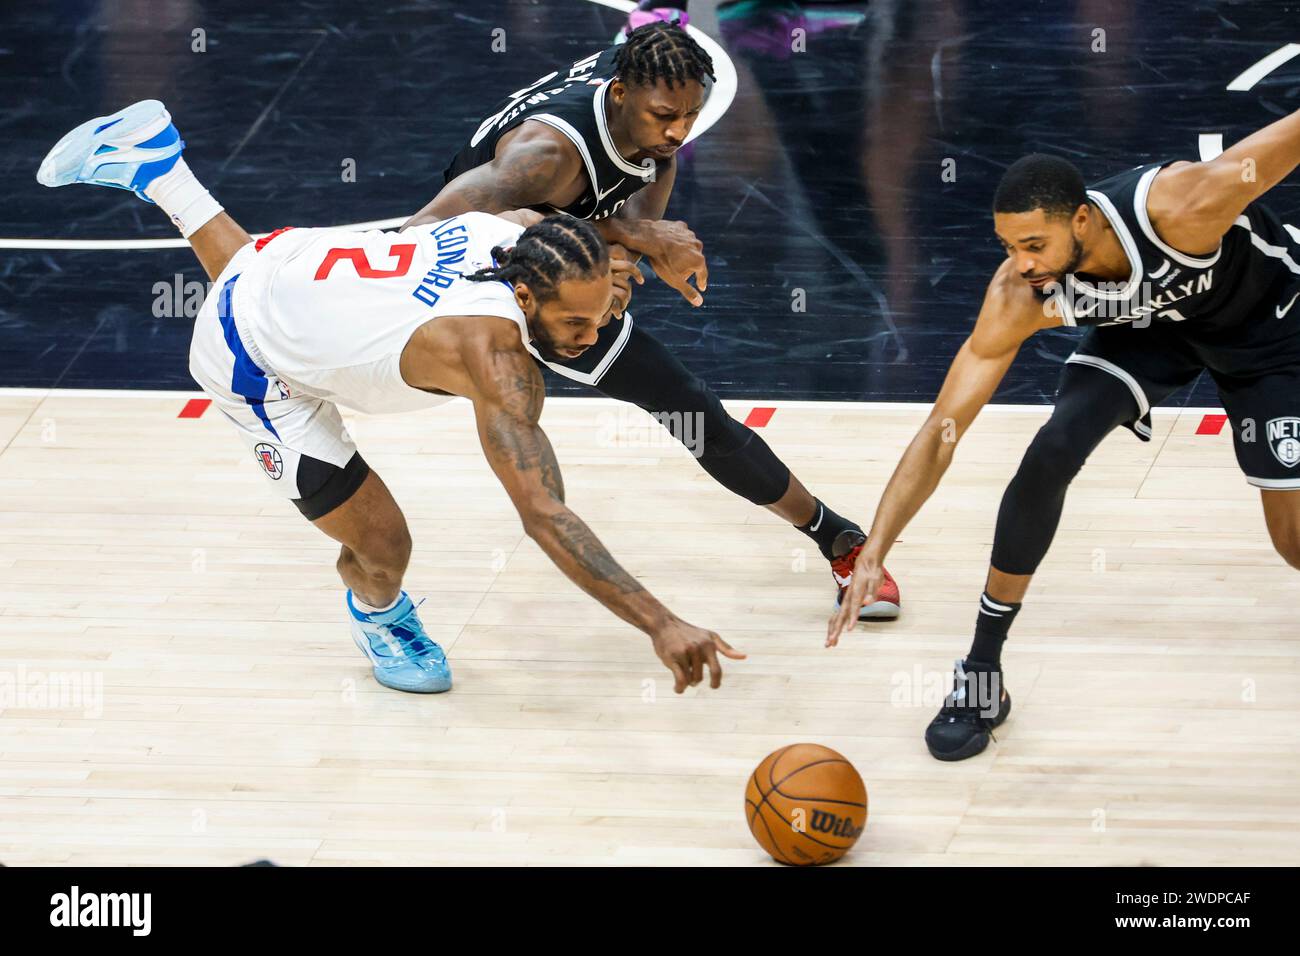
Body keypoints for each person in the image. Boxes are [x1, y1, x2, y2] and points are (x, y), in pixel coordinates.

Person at [37, 99, 743, 696]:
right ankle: (379, 618)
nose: (591, 338)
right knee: (384, 545)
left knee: (262, 283)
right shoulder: (497, 362)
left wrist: (634, 243)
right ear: (524, 295)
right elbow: (545, 514)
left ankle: (162, 167)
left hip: (291, 260)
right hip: (254, 364)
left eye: (597, 318)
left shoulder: (515, 235)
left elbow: (562, 226)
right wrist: (660, 621)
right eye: (575, 323)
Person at [829, 117, 1300, 760]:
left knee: (1292, 541)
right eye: (1006, 246)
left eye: (1033, 244)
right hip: (1151, 330)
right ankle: (981, 674)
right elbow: (942, 430)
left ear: (1081, 221)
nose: (1021, 264)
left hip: (1270, 329)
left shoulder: (1185, 204)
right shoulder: (1019, 292)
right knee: (1050, 454)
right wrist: (876, 550)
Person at [406, 21, 902, 621]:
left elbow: (640, 223)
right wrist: (622, 233)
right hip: (470, 282)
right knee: (525, 450)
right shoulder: (544, 156)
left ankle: (840, 540)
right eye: (666, 115)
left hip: (557, 267)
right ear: (619, 94)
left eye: (691, 115)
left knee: (688, 407)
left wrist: (627, 264)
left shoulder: (653, 117)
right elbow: (426, 234)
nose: (679, 130)